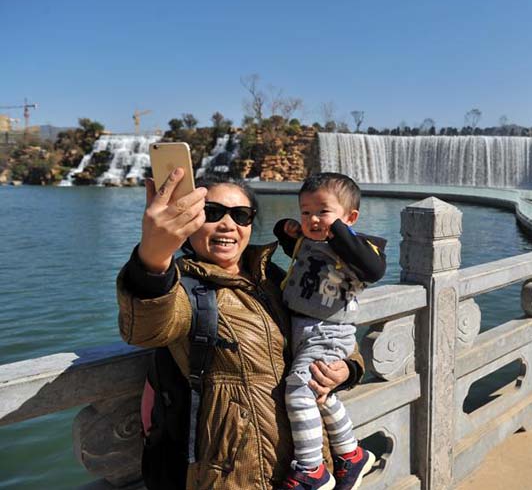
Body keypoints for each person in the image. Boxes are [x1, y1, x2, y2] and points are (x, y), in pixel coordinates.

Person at [117, 169, 364, 489]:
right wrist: (153, 256)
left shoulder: (279, 279)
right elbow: (146, 327)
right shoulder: (184, 290)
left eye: (241, 215)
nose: (227, 224)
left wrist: (347, 369)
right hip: (237, 476)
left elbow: (330, 327)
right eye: (212, 212)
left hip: (313, 471)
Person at [273, 173, 386, 490]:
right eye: (306, 212)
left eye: (323, 211)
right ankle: (352, 454)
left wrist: (339, 230)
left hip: (329, 331)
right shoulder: (311, 243)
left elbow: (374, 270)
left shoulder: (360, 249)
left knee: (299, 388)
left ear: (350, 218)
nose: (313, 219)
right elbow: (283, 238)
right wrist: (287, 228)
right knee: (320, 393)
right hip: (304, 330)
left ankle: (311, 470)